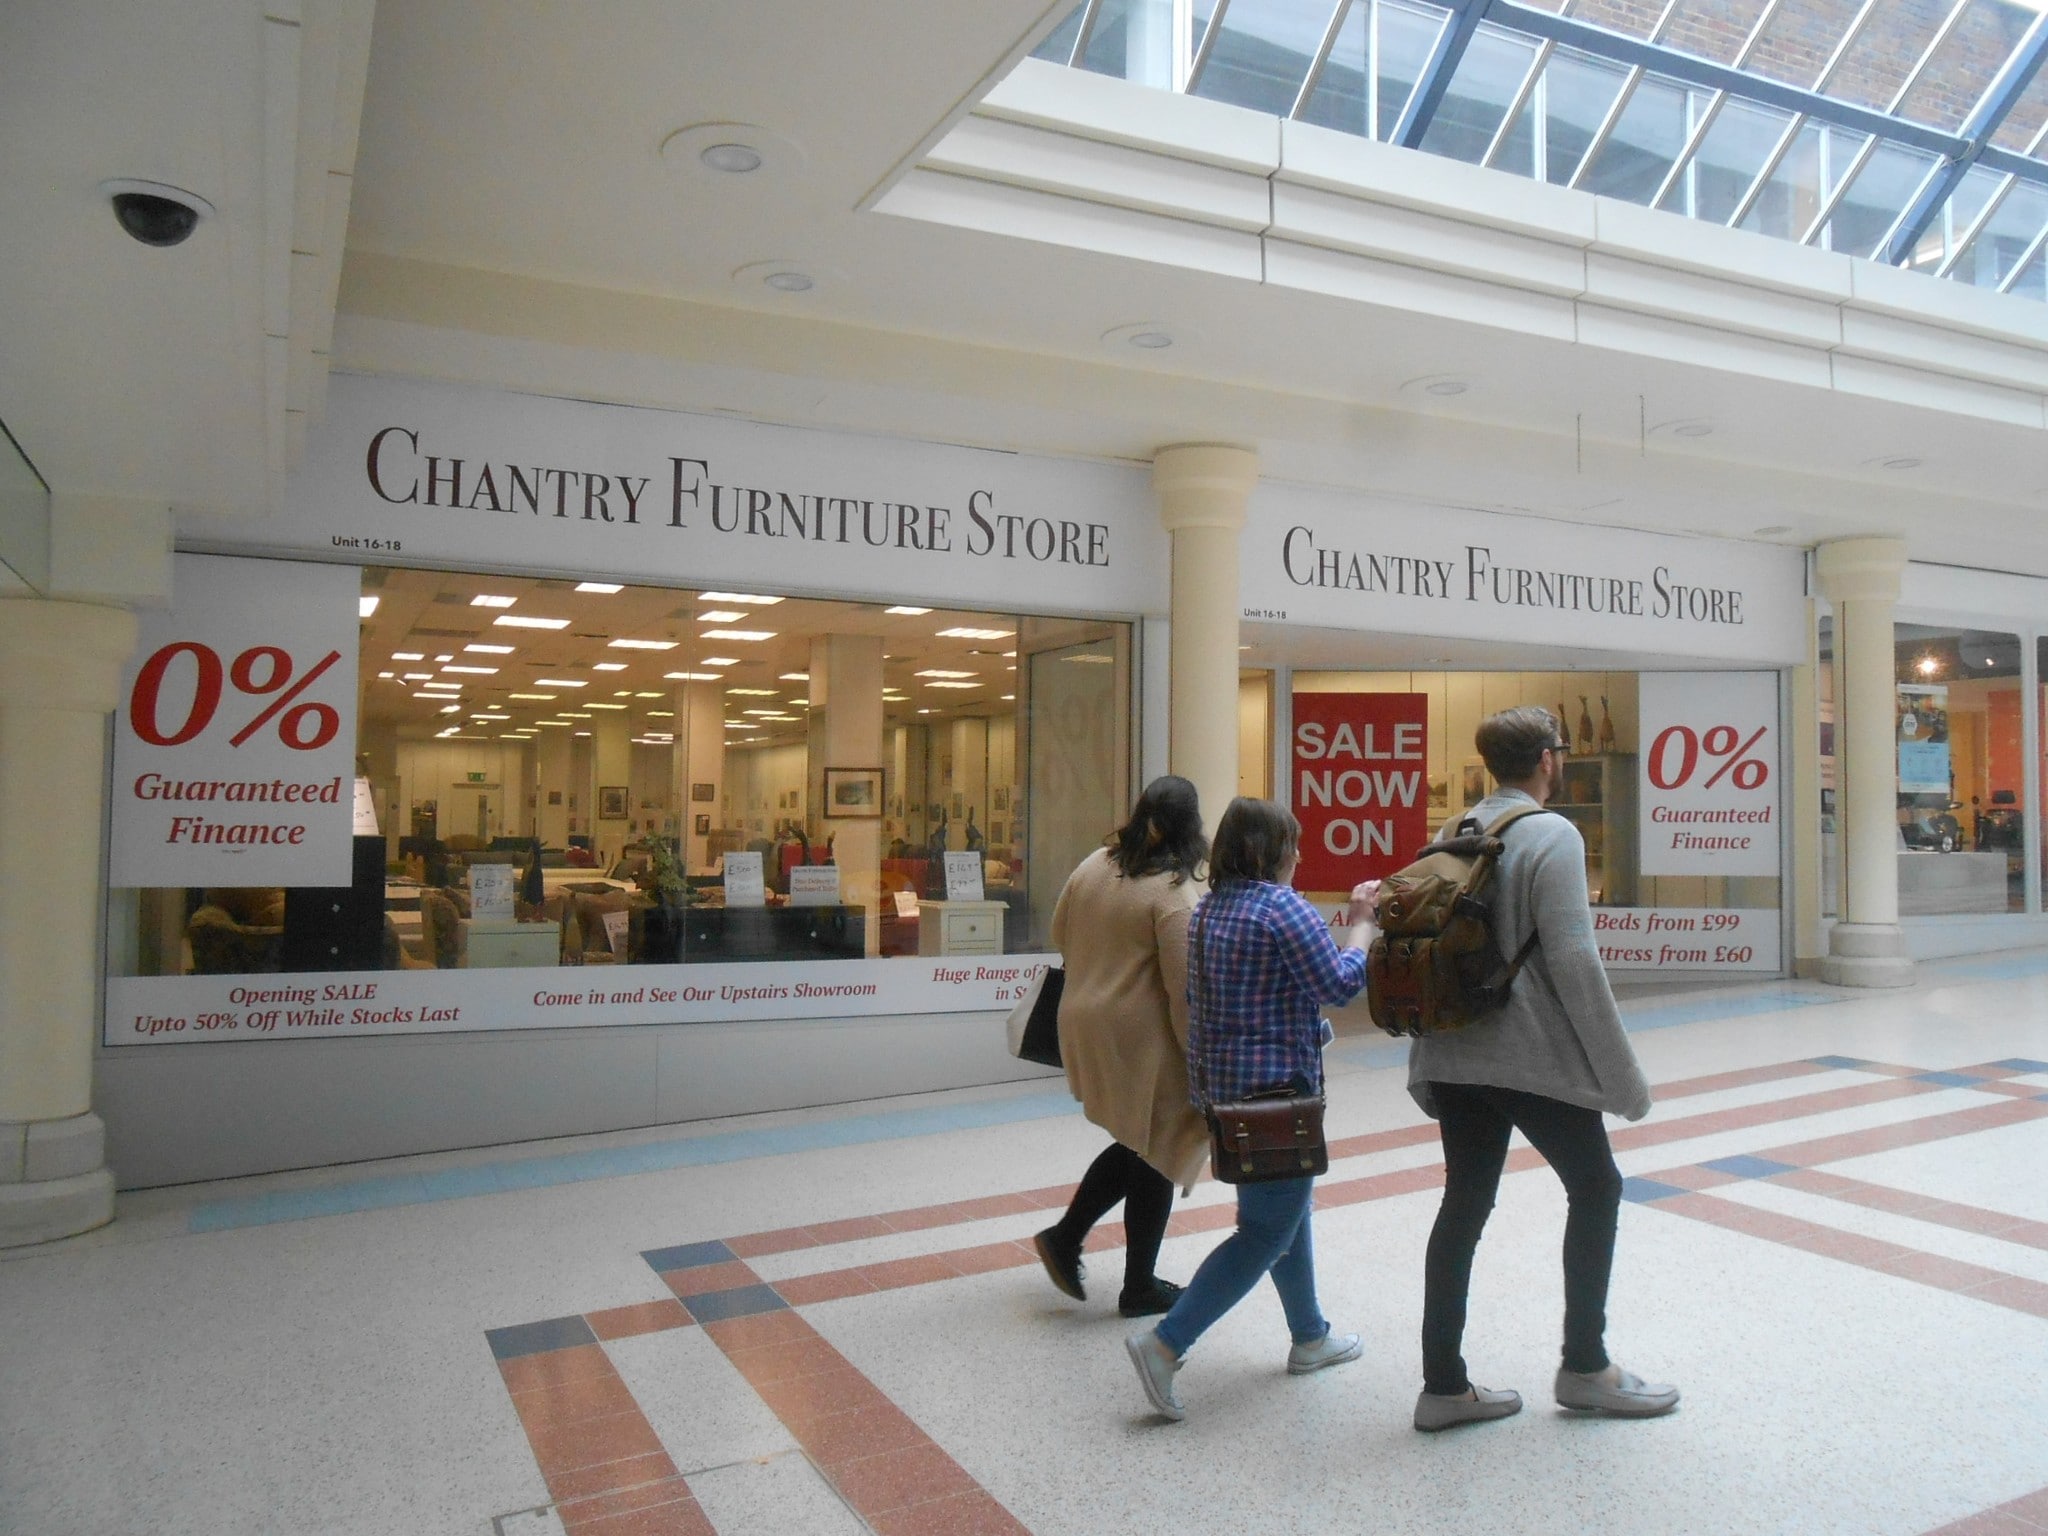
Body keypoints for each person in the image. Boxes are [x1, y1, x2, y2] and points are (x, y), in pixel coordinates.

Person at [1405, 705, 1677, 1432]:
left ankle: (1443, 1385)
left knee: (1463, 1204)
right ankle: (1586, 1366)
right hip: (1522, 1053)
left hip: (1454, 1048)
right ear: (1550, 760)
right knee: (1597, 1187)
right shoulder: (1551, 834)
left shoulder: (1459, 829)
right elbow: (1574, 960)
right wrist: (1623, 1078)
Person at [1124, 797, 1378, 1422]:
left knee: (1287, 1214)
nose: (1300, 856)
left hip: (1228, 1095)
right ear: (1271, 851)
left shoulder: (1210, 911)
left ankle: (1310, 1336)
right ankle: (1164, 1344)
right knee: (1265, 1231)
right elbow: (1338, 985)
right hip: (1276, 1098)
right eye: (1294, 844)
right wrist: (1364, 926)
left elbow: (1229, 1004)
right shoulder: (1280, 907)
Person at [1036, 776, 1209, 1318]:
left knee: (1142, 1144)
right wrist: (1198, 1060)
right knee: (1157, 1147)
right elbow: (1184, 992)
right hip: (1139, 1038)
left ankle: (1070, 1239)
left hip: (1081, 1019)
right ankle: (1133, 1284)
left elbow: (1060, 932)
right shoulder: (1174, 892)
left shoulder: (1095, 863)